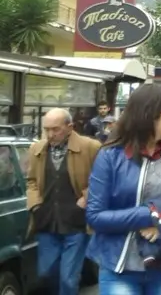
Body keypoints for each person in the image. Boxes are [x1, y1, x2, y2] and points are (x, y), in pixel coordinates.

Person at [85, 84, 161, 294]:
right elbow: (95, 216)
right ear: (150, 114)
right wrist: (147, 215)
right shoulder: (110, 156)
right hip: (120, 266)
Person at [27, 108, 101, 295]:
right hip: (47, 222)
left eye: (55, 129)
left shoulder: (90, 147)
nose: (50, 134)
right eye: (47, 129)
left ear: (70, 127)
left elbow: (104, 180)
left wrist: (87, 198)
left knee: (68, 278)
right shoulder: (37, 149)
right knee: (46, 273)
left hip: (76, 224)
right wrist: (35, 204)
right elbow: (32, 181)